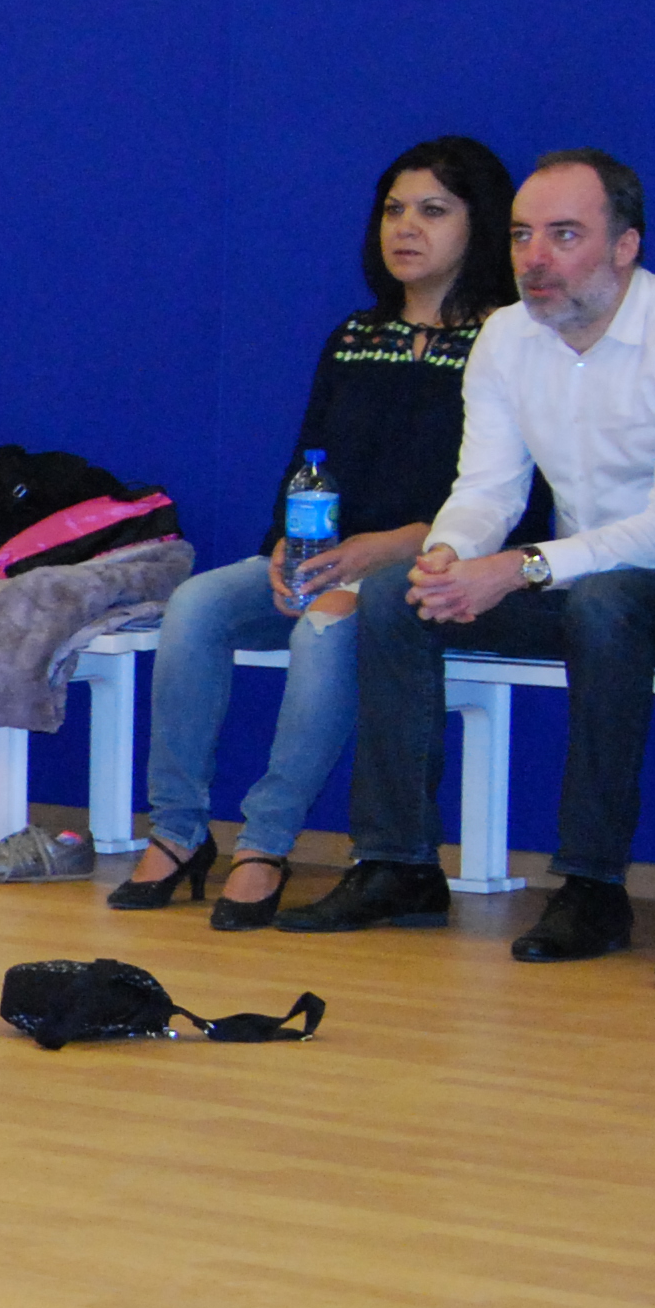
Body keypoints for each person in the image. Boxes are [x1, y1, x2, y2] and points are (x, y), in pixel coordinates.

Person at [283, 150, 655, 967]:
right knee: (396, 595)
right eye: (522, 235)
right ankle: (398, 863)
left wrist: (520, 566)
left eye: (564, 235)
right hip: (573, 581)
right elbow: (488, 490)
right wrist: (448, 557)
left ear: (625, 246)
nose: (534, 257)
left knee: (607, 603)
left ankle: (593, 886)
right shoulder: (506, 335)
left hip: (654, 586)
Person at [115, 139, 514, 928]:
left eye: (433, 211)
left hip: (427, 569)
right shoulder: (355, 335)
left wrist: (386, 548)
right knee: (197, 605)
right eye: (394, 210)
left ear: (482, 224)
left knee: (328, 627)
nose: (406, 227)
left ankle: (265, 843)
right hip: (328, 554)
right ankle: (178, 830)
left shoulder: (507, 342)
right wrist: (282, 549)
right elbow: (310, 462)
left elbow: (511, 501)